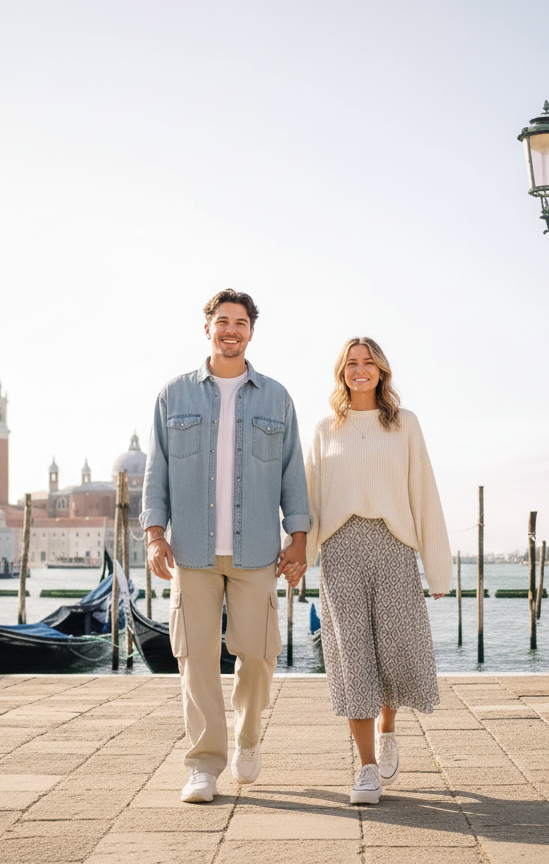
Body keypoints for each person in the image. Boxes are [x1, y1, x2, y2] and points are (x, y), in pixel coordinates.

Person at [141, 290, 310, 804]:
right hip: (191, 550)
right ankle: (204, 765)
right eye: (222, 321)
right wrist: (154, 535)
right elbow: (157, 472)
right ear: (207, 328)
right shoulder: (173, 395)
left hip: (258, 550)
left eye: (240, 322)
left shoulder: (277, 397)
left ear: (251, 332)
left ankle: (249, 735)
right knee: (195, 660)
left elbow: (292, 474)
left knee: (257, 655)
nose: (230, 330)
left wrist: (298, 538)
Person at [304, 336, 451, 805]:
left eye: (368, 362)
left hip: (393, 548)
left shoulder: (405, 424)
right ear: (341, 372)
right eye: (352, 363)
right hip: (341, 550)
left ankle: (389, 726)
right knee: (352, 657)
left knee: (395, 648)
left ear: (382, 371)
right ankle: (366, 768)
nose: (360, 369)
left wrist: (438, 570)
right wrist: (299, 558)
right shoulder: (326, 427)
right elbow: (309, 498)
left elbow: (423, 493)